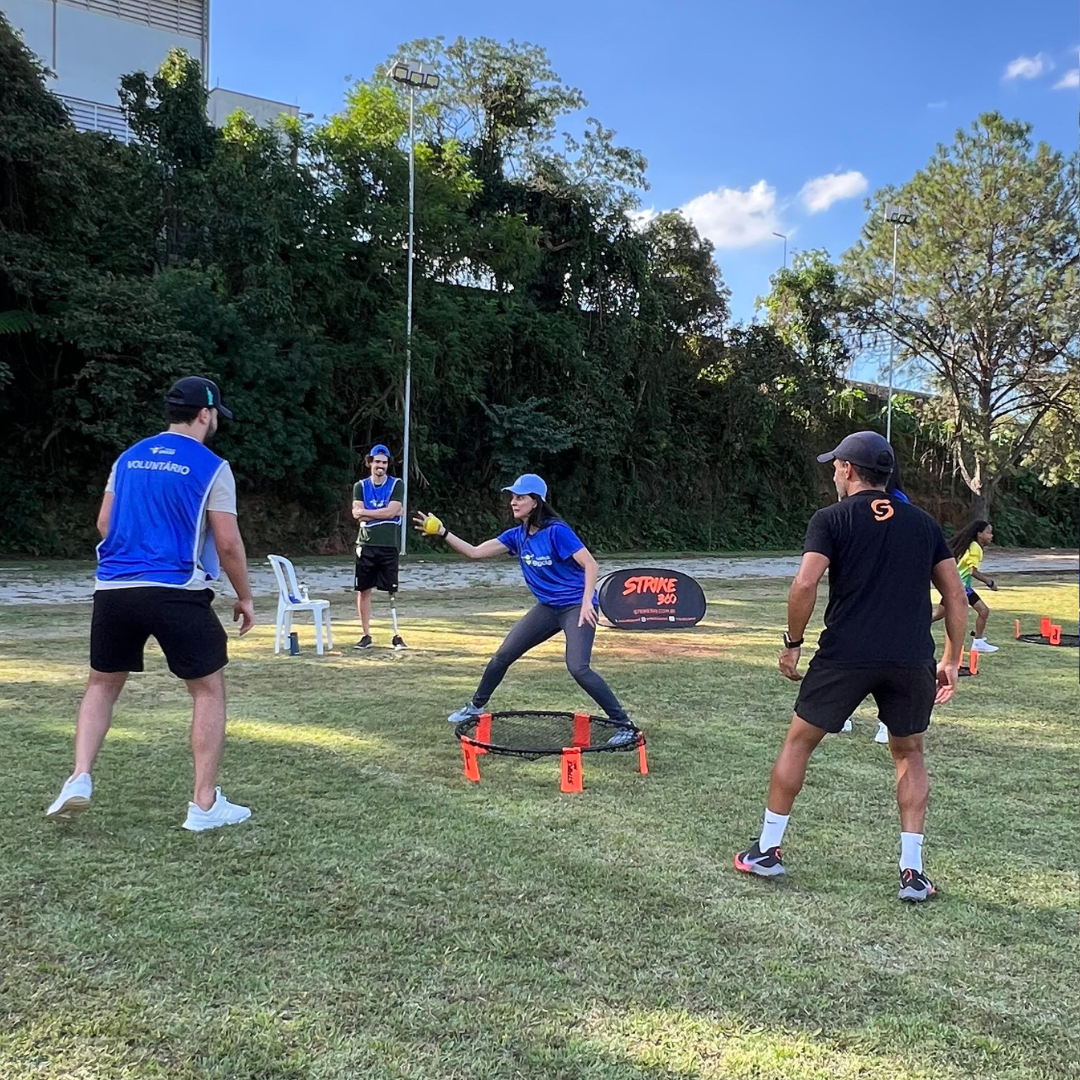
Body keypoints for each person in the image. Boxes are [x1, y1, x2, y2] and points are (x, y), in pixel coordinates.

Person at [734, 431, 968, 902]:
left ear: (847, 470)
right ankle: (912, 873)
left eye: (836, 467)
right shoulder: (923, 524)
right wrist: (951, 659)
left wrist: (792, 643)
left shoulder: (830, 519)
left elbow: (805, 584)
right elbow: (956, 596)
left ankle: (768, 850)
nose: (834, 475)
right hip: (910, 657)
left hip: (845, 654)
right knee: (909, 754)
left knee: (799, 742)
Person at [45, 377, 255, 832]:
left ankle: (79, 777)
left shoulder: (128, 458)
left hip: (114, 588)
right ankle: (203, 804)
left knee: (102, 685)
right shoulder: (213, 467)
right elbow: (228, 543)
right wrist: (244, 595)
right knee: (208, 690)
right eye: (215, 415)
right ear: (205, 414)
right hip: (176, 589)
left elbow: (105, 522)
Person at [413, 474, 634, 736]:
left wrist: (587, 602)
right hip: (548, 607)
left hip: (576, 605)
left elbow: (590, 564)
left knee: (578, 667)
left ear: (535, 502)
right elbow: (475, 552)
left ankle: (624, 724)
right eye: (512, 497)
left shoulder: (557, 531)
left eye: (520, 497)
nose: (513, 502)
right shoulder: (517, 536)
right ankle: (475, 707)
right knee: (503, 656)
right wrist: (443, 532)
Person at [351, 444, 406, 650]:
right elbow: (357, 514)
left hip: (388, 545)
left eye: (384, 462)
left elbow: (393, 510)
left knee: (391, 590)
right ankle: (366, 635)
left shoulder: (396, 485)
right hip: (366, 544)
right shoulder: (360, 486)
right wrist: (387, 513)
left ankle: (396, 635)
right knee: (363, 589)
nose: (380, 466)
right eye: (377, 462)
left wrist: (368, 512)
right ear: (370, 463)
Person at [932, 520, 999, 653]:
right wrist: (989, 582)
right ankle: (978, 642)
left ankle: (916, 627)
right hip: (960, 587)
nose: (991, 536)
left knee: (939, 614)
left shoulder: (972, 546)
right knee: (983, 611)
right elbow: (972, 571)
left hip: (958, 586)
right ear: (979, 534)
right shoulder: (975, 548)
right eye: (988, 532)